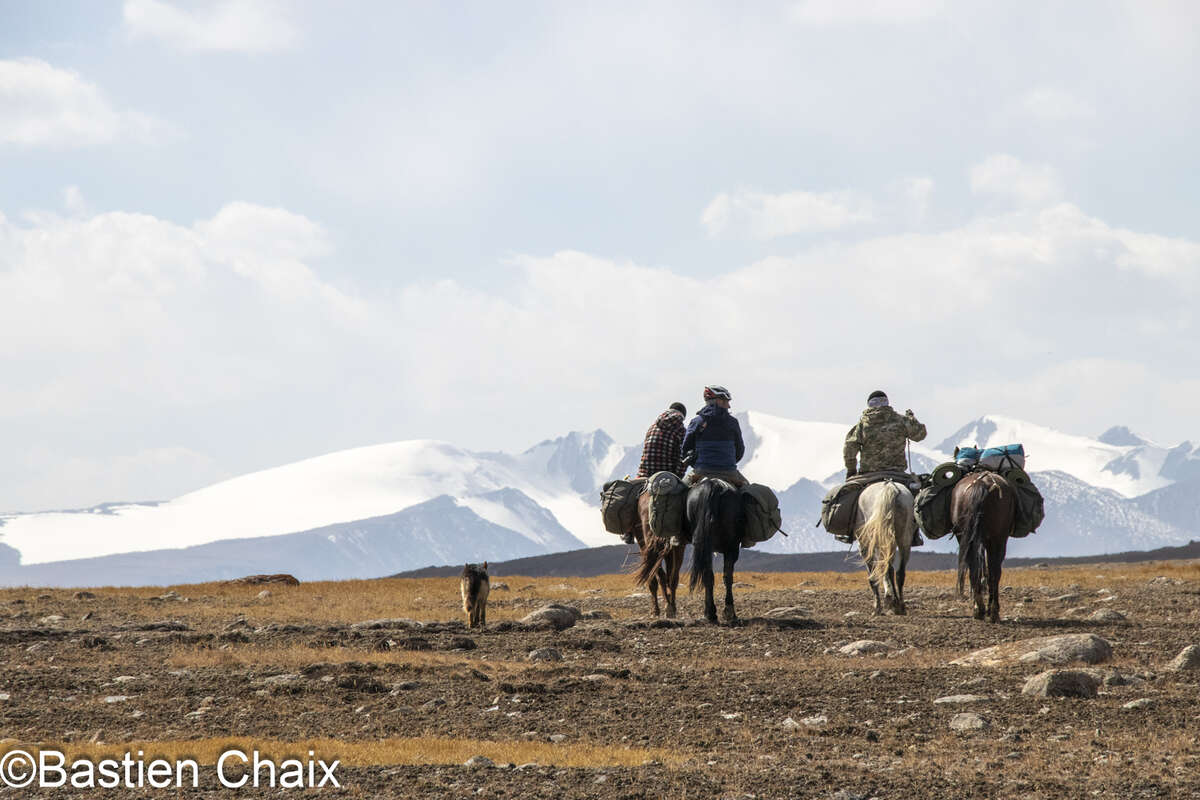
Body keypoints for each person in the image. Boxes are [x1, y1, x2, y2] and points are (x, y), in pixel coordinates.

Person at [842, 389, 927, 545]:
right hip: (898, 474)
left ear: (869, 405)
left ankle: (847, 531)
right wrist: (912, 419)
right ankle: (914, 533)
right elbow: (920, 435)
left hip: (868, 474)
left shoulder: (862, 425)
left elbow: (849, 449)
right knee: (917, 498)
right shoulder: (901, 421)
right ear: (887, 402)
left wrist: (851, 470)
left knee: (850, 497)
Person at [624, 402, 688, 543]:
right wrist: (679, 476)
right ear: (682, 416)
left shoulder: (652, 427)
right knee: (685, 498)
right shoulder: (681, 430)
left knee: (633, 497)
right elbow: (682, 457)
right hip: (666, 475)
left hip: (644, 475)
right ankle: (681, 532)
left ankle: (628, 530)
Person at [681, 385, 748, 488]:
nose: (729, 406)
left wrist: (698, 464)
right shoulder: (733, 422)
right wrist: (727, 463)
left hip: (701, 471)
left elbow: (685, 449)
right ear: (719, 401)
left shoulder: (696, 422)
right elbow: (740, 450)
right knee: (750, 493)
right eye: (726, 401)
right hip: (729, 472)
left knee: (679, 492)